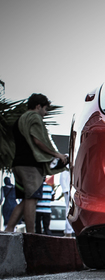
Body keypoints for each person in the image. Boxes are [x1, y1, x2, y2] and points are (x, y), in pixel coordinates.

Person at [3, 93, 68, 233]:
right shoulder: (34, 117)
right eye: (45, 109)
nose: (45, 114)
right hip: (30, 166)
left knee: (25, 200)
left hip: (17, 164)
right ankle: (31, 234)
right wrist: (56, 154)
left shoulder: (19, 120)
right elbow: (38, 140)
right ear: (38, 106)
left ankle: (9, 229)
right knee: (32, 199)